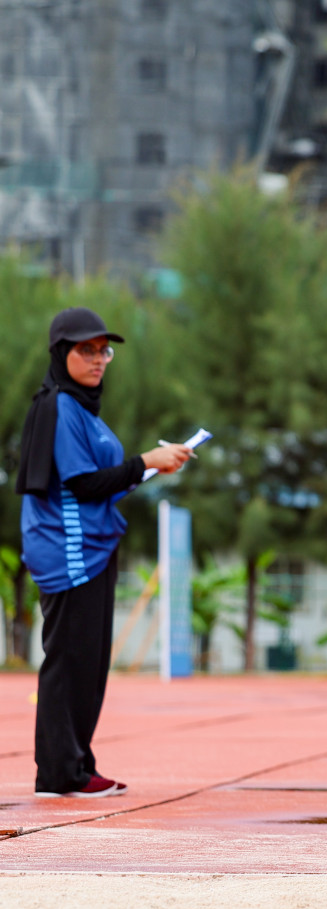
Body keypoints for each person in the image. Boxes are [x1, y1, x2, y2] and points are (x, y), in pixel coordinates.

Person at [16, 308, 192, 798]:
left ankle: (77, 764)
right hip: (69, 551)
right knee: (68, 660)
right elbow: (80, 484)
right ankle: (58, 773)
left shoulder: (83, 411)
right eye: (84, 350)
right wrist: (143, 462)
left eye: (103, 350)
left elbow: (100, 485)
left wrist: (148, 469)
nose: (97, 359)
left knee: (89, 664)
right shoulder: (58, 407)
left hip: (93, 547)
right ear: (60, 353)